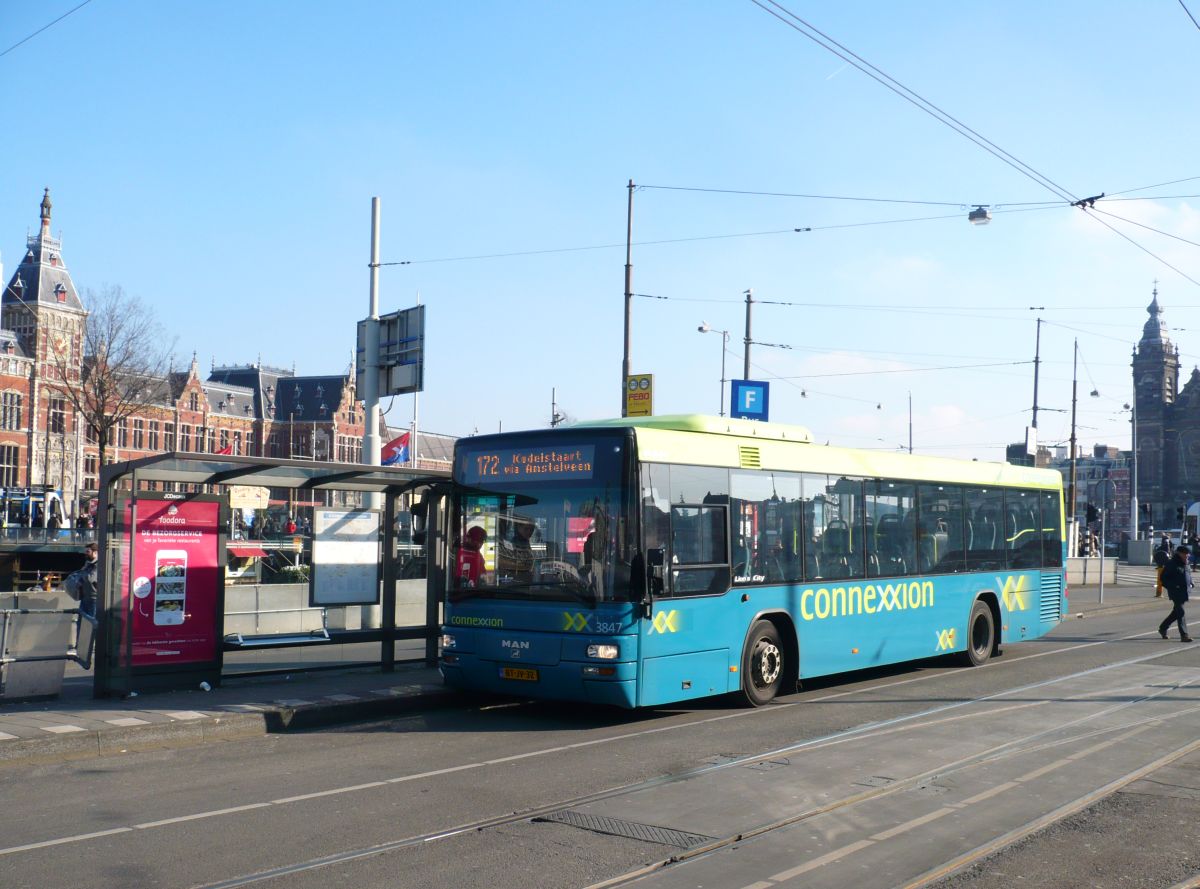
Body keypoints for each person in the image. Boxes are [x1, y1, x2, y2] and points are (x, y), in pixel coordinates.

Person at [1159, 545, 1193, 642]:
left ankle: (1163, 628)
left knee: (1176, 613)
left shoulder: (1186, 563)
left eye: (1188, 554)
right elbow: (1163, 579)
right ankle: (1184, 635)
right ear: (1179, 553)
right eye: (1185, 554)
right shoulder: (1172, 564)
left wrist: (1191, 582)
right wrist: (1173, 586)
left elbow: (1188, 574)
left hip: (1184, 591)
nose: (1187, 556)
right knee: (1181, 612)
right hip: (1175, 592)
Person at [76, 542, 99, 619]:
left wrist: (83, 574)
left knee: (91, 622)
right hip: (85, 598)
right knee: (81, 622)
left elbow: (91, 578)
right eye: (85, 551)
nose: (86, 554)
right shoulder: (88, 563)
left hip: (94, 599)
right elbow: (80, 574)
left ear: (95, 552)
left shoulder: (98, 564)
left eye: (88, 551)